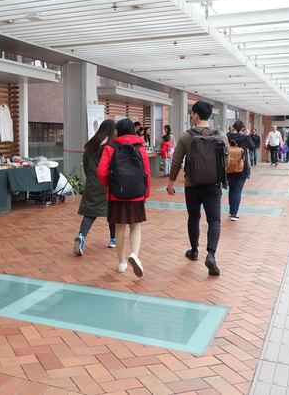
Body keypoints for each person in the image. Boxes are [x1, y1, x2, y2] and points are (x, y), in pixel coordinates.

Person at [166, 101, 227, 276]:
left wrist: (171, 183)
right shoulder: (221, 136)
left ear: (196, 115)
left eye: (192, 114)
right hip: (213, 186)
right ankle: (211, 254)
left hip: (192, 185)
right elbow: (227, 162)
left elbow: (176, 161)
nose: (191, 117)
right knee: (214, 220)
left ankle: (194, 251)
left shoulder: (186, 136)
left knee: (193, 218)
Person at [97, 118, 151, 277]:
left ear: (118, 131)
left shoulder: (110, 148)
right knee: (135, 226)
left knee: (119, 227)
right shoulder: (140, 148)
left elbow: (101, 172)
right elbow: (146, 174)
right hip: (136, 194)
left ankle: (121, 263)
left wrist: (111, 186)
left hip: (117, 194)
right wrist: (145, 194)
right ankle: (134, 254)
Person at [74, 120, 117, 255]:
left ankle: (81, 236)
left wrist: (92, 178)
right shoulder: (112, 146)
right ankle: (113, 239)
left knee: (90, 214)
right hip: (108, 184)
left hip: (92, 183)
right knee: (112, 212)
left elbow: (86, 166)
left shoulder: (91, 145)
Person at [226, 120, 255, 221]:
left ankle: (231, 211)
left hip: (229, 166)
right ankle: (234, 213)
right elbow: (252, 147)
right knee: (237, 191)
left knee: (232, 189)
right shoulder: (244, 137)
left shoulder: (227, 136)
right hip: (241, 167)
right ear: (243, 128)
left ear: (233, 127)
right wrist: (247, 135)